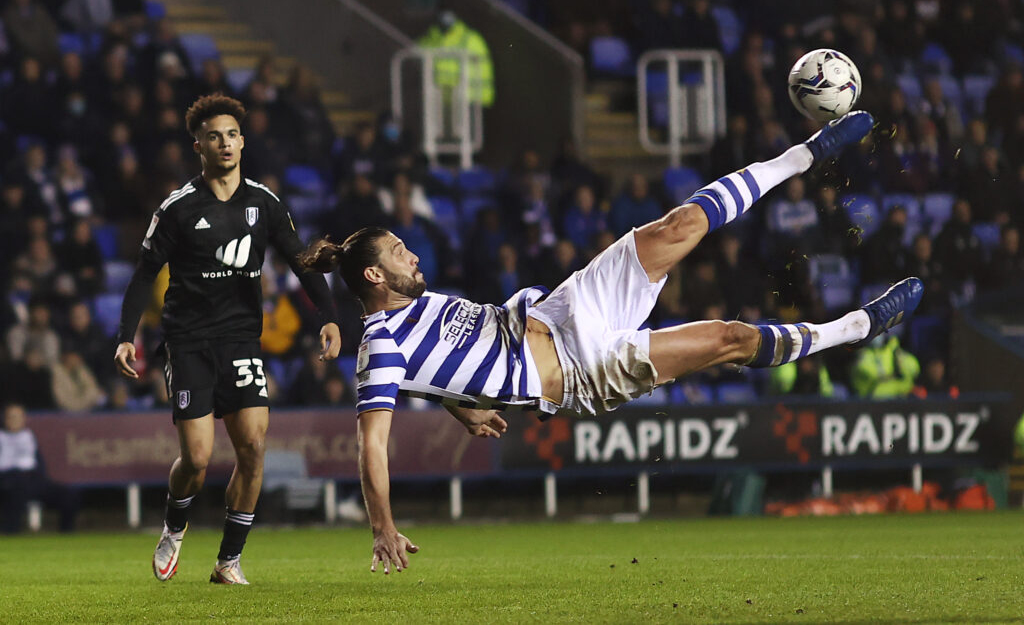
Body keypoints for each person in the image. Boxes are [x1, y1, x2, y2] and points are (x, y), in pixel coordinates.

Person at [298, 111, 924, 575]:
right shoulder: (380, 347)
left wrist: (459, 406)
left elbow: (437, 365)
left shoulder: (414, 305)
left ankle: (805, 154)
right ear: (375, 276)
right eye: (399, 253)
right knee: (727, 338)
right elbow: (371, 444)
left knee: (679, 224)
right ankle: (855, 329)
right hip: (582, 370)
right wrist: (382, 526)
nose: (412, 255)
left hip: (563, 308)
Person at [113, 94, 341, 585]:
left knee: (253, 446)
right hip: (188, 341)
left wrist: (329, 316)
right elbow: (144, 273)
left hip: (240, 339)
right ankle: (175, 526)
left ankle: (228, 561)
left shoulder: (264, 202)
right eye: (214, 136)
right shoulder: (177, 208)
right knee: (196, 459)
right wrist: (125, 335)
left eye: (233, 134)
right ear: (198, 145)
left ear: (243, 141)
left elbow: (300, 261)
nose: (225, 143)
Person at [0, 403, 79, 533]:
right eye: (12, 417)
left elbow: (38, 464)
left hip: (32, 479)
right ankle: (10, 532)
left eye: (19, 417)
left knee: (69, 494)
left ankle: (66, 533)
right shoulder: (2, 437)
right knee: (16, 490)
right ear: (5, 419)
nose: (15, 420)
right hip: (8, 480)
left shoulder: (28, 436)